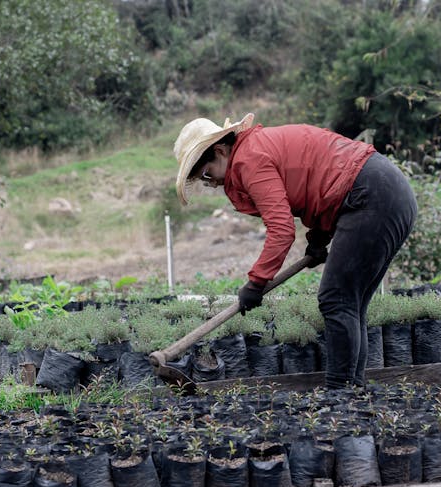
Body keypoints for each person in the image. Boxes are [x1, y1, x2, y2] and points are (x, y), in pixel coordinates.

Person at [174, 113, 417, 389]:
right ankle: (351, 392)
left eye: (208, 174)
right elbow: (319, 180)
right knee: (349, 303)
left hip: (371, 195)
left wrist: (256, 282)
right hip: (385, 191)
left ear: (219, 150)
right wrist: (318, 239)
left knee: (336, 299)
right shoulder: (257, 148)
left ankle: (341, 393)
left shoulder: (249, 160)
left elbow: (281, 230)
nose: (213, 182)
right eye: (205, 181)